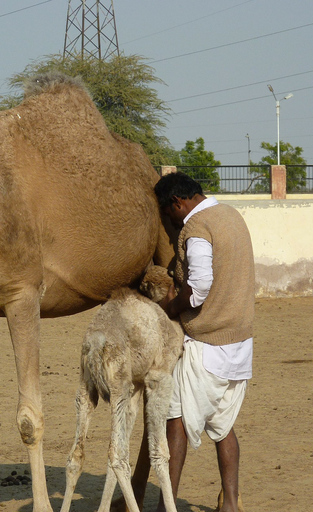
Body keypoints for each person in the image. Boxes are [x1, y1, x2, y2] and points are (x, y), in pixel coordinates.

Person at [121, 172, 254, 512]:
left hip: (206, 344)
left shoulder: (197, 229)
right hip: (239, 344)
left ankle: (167, 504)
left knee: (175, 422)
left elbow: (199, 288)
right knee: (223, 426)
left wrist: (167, 308)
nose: (170, 222)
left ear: (178, 203)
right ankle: (231, 503)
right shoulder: (231, 215)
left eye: (168, 214)